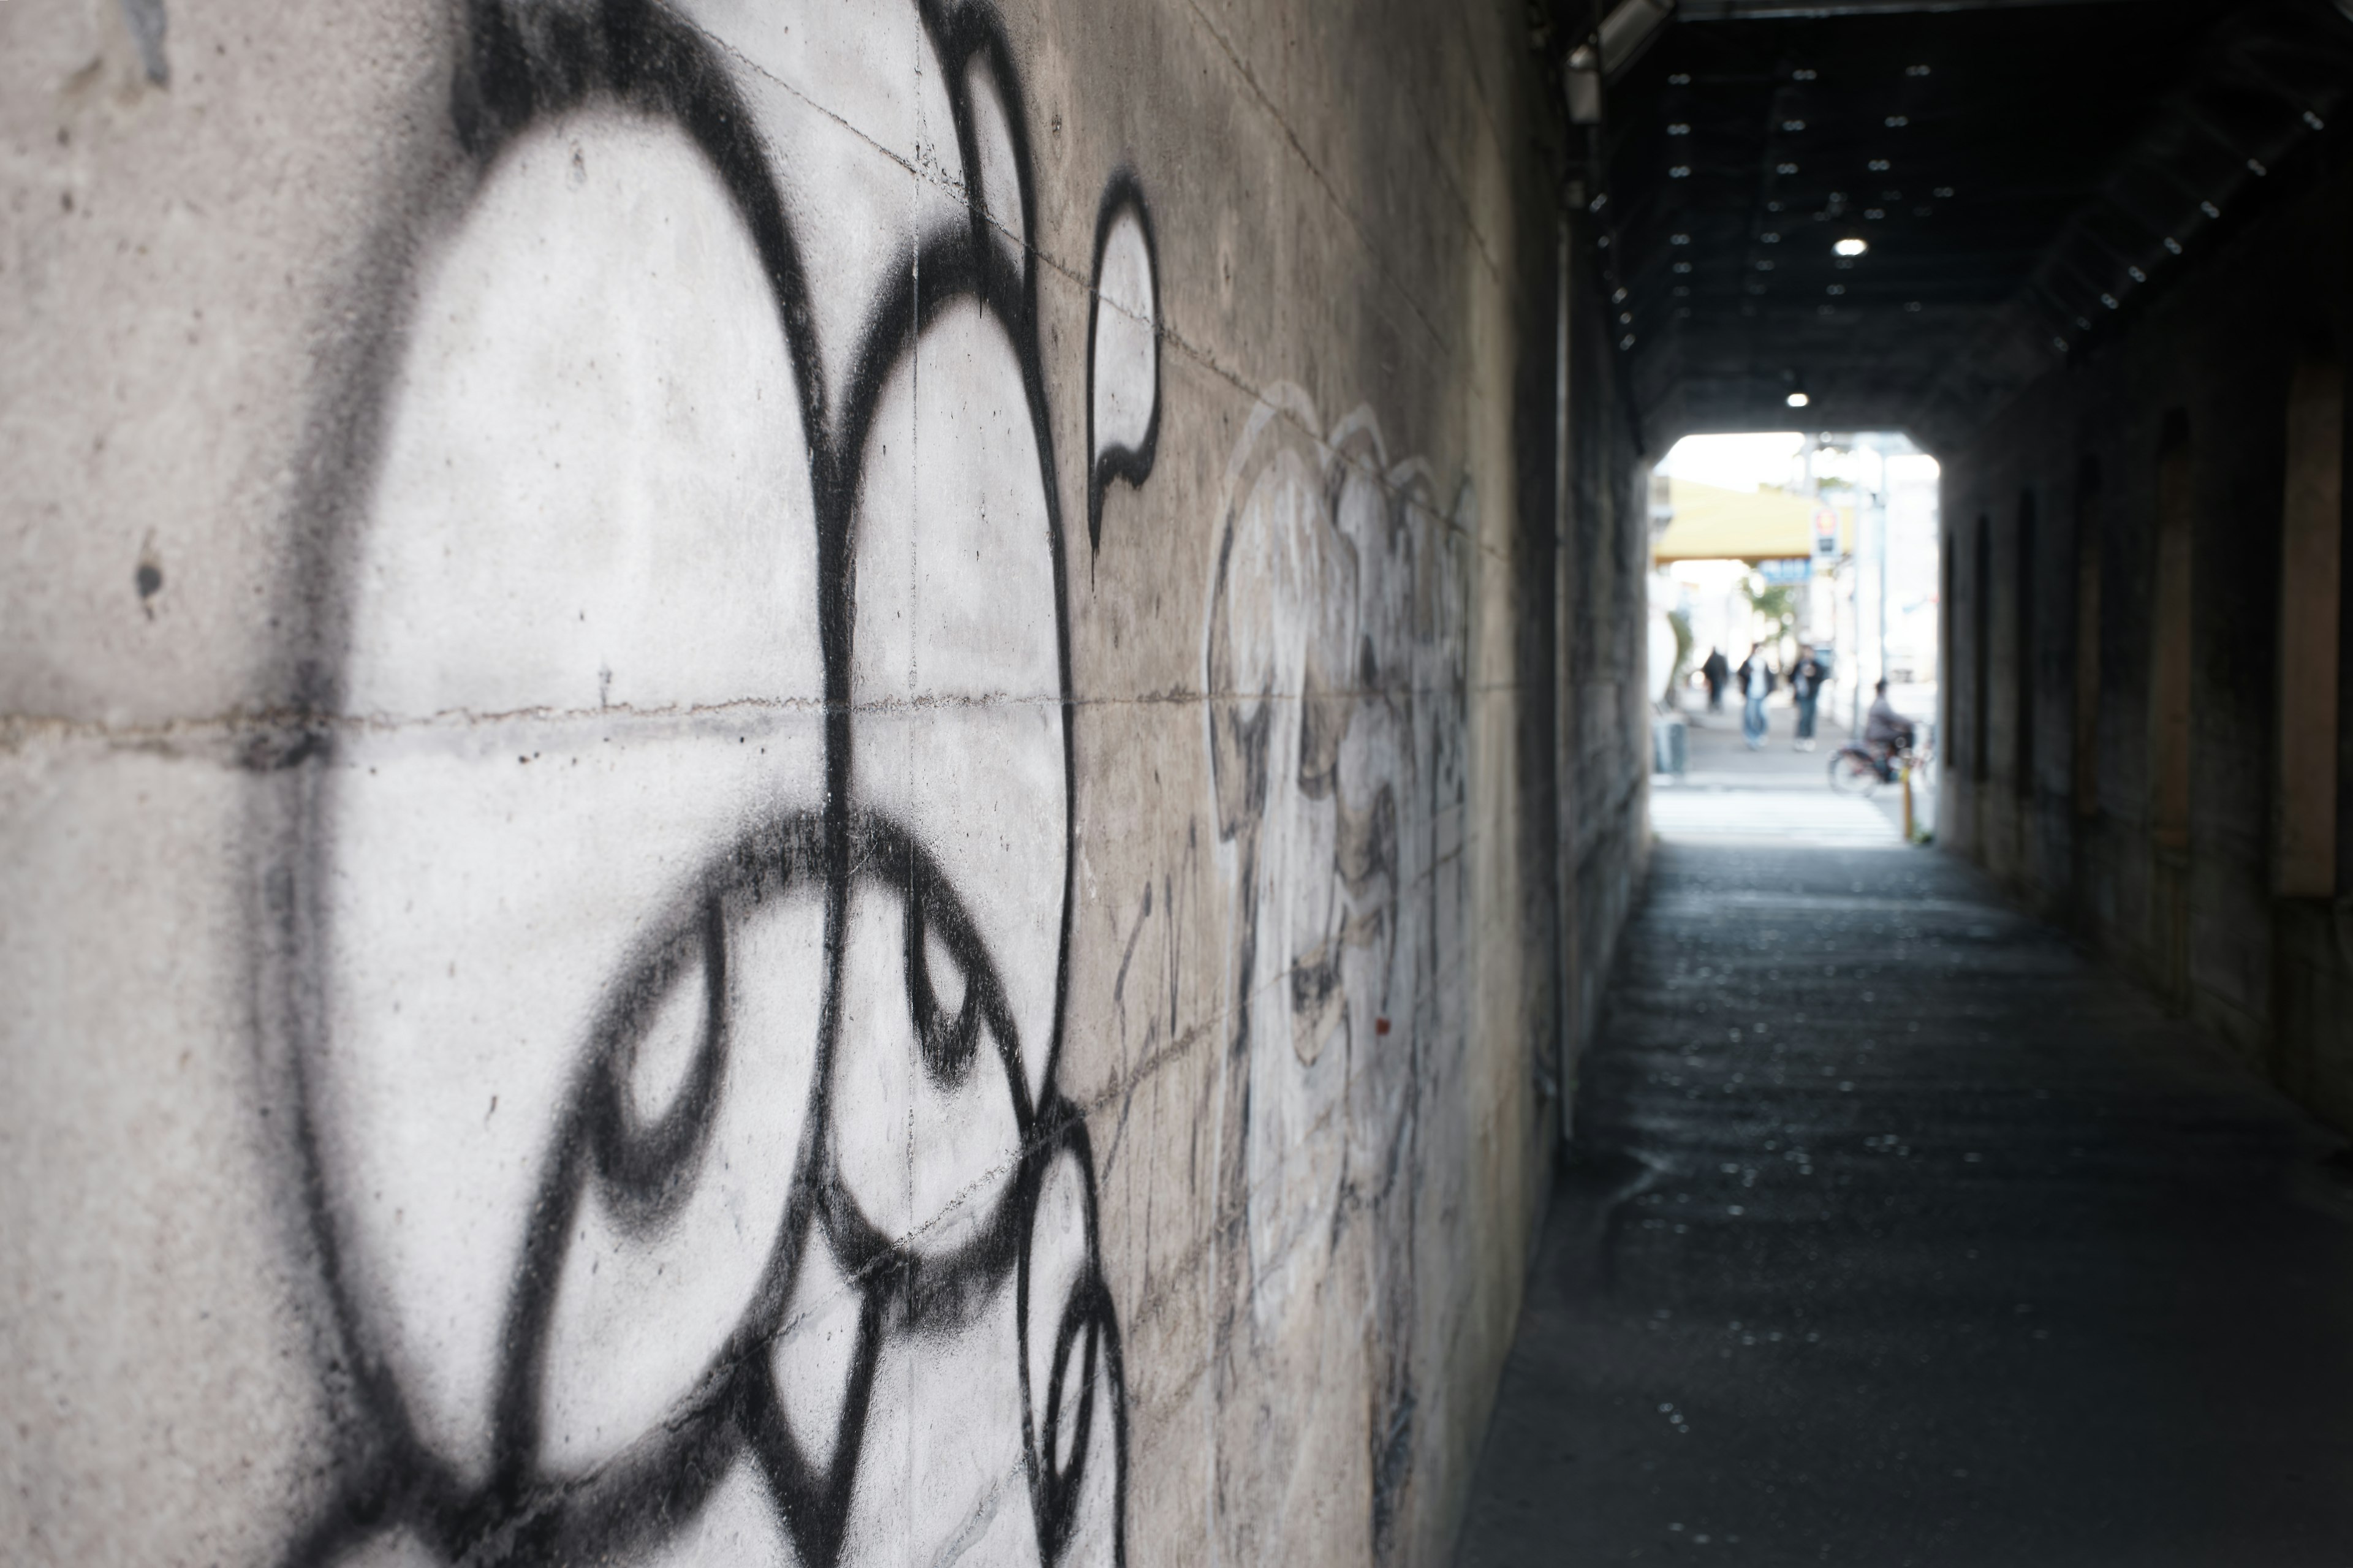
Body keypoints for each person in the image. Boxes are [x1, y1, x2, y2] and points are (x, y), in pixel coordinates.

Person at [1864, 678, 1916, 782]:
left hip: (1878, 733)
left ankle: (1892, 767)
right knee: (1905, 737)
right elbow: (1894, 717)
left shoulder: (1878, 702)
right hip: (1881, 734)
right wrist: (1909, 723)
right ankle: (1898, 763)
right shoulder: (1881, 703)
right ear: (1884, 689)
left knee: (1897, 739)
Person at [1735, 642, 1774, 750]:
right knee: (1750, 716)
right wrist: (1747, 672)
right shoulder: (1749, 662)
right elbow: (1740, 673)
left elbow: (1770, 677)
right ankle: (1751, 737)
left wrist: (1769, 690)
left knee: (1762, 716)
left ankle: (1760, 735)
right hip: (1751, 693)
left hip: (1762, 693)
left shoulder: (1764, 663)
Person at [1789, 643, 1825, 752]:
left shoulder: (1817, 665)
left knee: (1811, 716)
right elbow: (1791, 677)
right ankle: (1800, 737)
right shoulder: (1799, 664)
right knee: (1803, 716)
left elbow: (1821, 676)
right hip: (1802, 694)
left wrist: (1812, 674)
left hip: (1812, 694)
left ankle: (1809, 738)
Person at [1700, 646, 1729, 713]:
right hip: (1718, 678)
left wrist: (1707, 677)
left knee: (1714, 693)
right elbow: (1724, 668)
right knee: (1718, 693)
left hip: (1714, 679)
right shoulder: (1719, 658)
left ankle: (1715, 705)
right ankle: (1717, 705)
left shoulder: (1711, 658)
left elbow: (1706, 668)